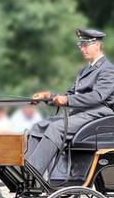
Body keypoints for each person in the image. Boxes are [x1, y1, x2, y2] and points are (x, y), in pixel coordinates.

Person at [26, 28, 114, 176]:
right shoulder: (84, 71)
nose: (82, 48)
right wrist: (48, 97)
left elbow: (98, 96)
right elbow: (70, 95)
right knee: (38, 127)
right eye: (80, 44)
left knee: (56, 128)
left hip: (99, 114)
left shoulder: (108, 70)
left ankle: (33, 173)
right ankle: (26, 171)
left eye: (86, 44)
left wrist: (67, 100)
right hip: (81, 114)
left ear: (97, 45)